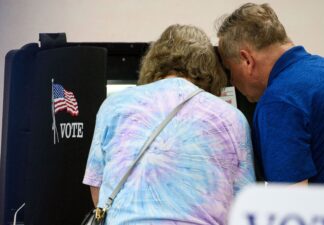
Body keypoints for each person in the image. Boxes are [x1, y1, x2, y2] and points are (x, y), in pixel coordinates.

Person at [83, 24, 255, 225]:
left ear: (154, 61)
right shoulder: (232, 118)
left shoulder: (114, 106)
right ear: (210, 68)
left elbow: (97, 188)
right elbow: (244, 201)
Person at [216, 3, 324, 185]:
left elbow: (291, 203)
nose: (232, 82)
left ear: (246, 60)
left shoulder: (279, 101)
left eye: (229, 70)